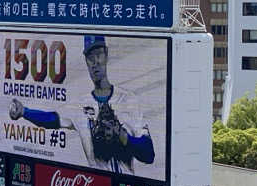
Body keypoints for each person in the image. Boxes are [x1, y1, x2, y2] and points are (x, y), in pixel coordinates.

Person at [8, 34, 154, 175]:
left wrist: (124, 137)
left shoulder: (129, 99)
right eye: (91, 57)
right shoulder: (79, 105)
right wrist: (24, 112)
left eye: (99, 54)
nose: (95, 62)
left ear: (106, 54)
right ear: (86, 61)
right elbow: (52, 119)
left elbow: (149, 154)